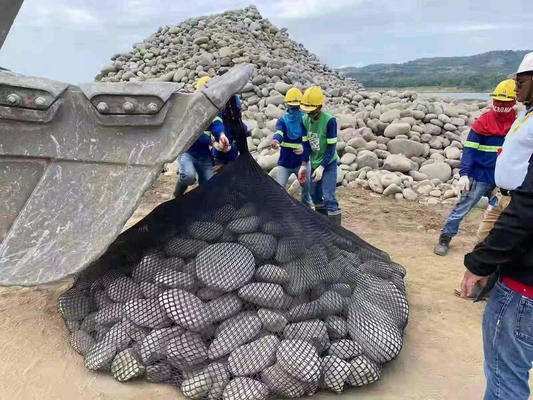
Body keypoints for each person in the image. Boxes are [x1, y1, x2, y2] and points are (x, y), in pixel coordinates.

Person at [460, 51, 533, 400]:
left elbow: (527, 211)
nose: (515, 88)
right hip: (504, 197)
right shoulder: (524, 116)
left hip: (524, 287)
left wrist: (480, 264)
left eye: (520, 81)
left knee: (505, 378)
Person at [434, 79, 517, 256]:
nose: (501, 105)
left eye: (506, 102)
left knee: (500, 215)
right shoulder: (482, 123)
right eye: (498, 102)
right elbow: (470, 149)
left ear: (513, 103)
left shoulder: (516, 125)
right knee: (463, 207)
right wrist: (464, 174)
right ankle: (445, 237)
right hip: (478, 176)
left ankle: (491, 247)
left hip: (501, 180)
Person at [174, 76, 229, 197]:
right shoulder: (191, 108)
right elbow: (195, 133)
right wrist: (212, 143)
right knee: (188, 177)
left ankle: (200, 203)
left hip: (204, 155)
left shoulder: (215, 109)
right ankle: (177, 195)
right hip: (187, 152)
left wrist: (221, 135)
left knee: (209, 185)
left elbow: (217, 125)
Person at [298, 86, 342, 225]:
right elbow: (306, 145)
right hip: (315, 162)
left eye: (312, 111)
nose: (309, 114)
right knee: (314, 195)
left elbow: (331, 147)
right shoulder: (304, 120)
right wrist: (304, 166)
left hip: (328, 163)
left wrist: (322, 167)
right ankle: (323, 226)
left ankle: (337, 230)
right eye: (307, 111)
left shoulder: (330, 121)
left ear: (320, 107)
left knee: (328, 196)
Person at [271, 87, 312, 206]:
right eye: (293, 107)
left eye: (297, 107)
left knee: (307, 189)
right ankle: (282, 211)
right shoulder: (282, 121)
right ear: (287, 106)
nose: (294, 110)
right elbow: (279, 132)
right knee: (280, 190)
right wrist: (276, 140)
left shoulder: (306, 121)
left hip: (302, 164)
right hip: (285, 163)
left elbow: (311, 139)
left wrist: (304, 148)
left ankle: (307, 207)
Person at [211, 69, 248, 171]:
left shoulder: (233, 100)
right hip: (221, 147)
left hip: (231, 146)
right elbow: (216, 124)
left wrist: (244, 130)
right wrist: (219, 138)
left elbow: (237, 121)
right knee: (220, 174)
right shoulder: (221, 101)